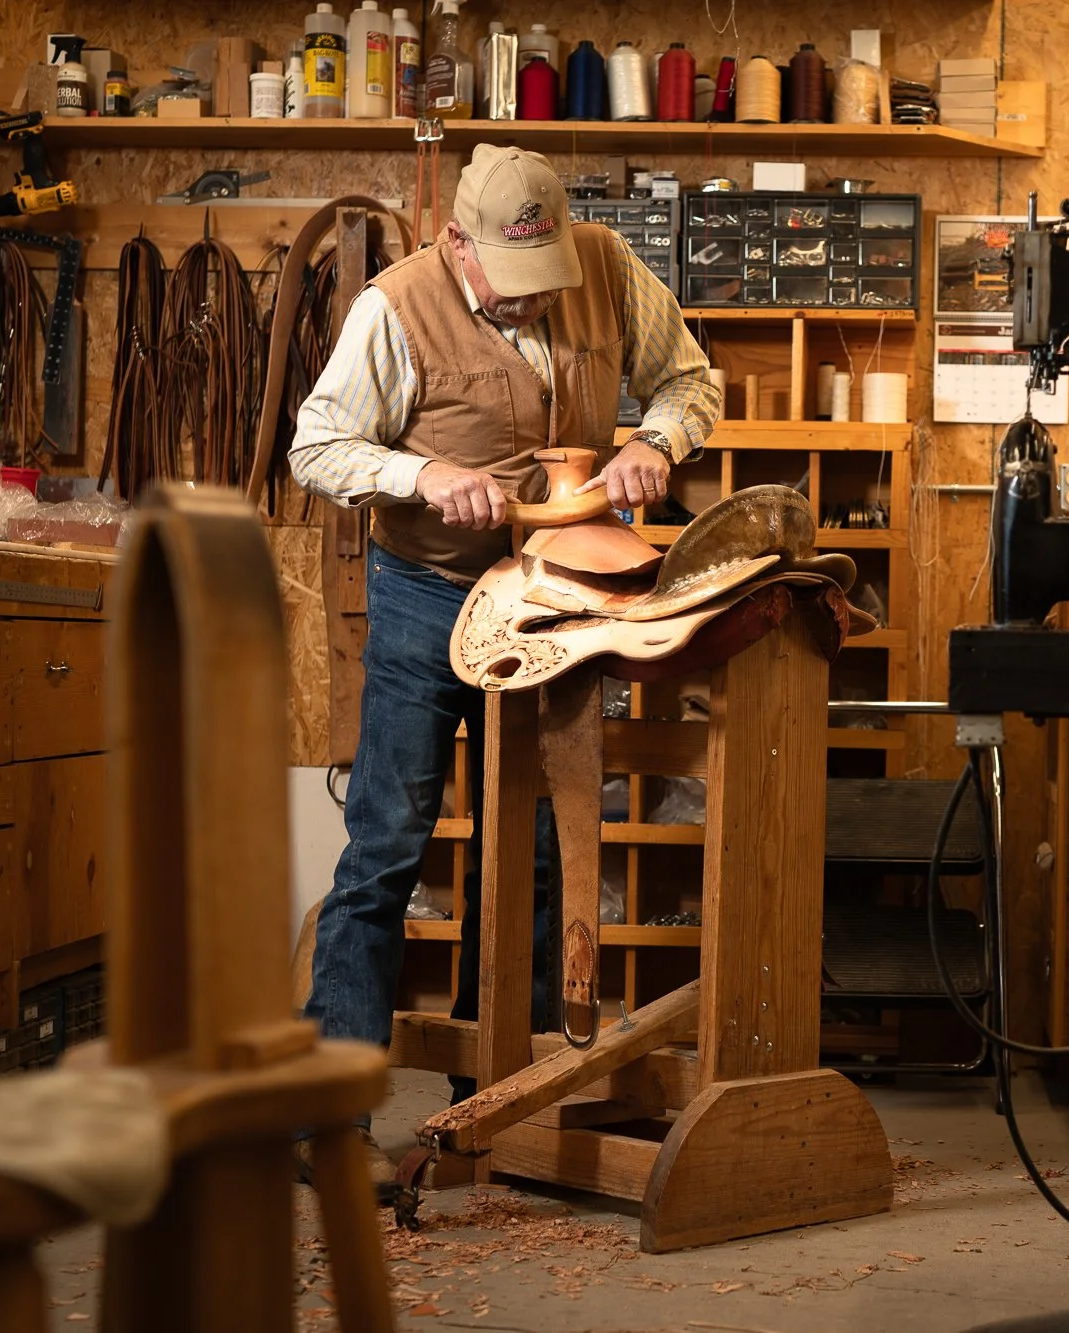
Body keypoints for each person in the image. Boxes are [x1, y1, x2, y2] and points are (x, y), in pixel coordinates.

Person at [288, 145, 721, 1188]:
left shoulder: (607, 268)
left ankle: (501, 1099)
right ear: (453, 244)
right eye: (503, 282)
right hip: (425, 595)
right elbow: (316, 446)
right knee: (386, 845)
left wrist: (653, 442)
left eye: (544, 280)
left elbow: (690, 379)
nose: (529, 305)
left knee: (531, 849)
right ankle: (327, 1113)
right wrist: (424, 471)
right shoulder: (395, 306)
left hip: (552, 596)